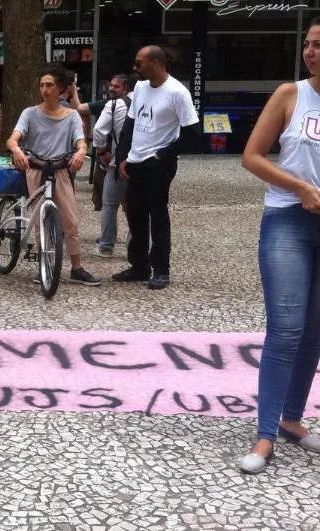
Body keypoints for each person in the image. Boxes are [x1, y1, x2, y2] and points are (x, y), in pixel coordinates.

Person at [237, 15, 320, 474]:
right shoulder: (291, 95)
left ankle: (292, 420)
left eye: (318, 45)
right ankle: (265, 434)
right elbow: (251, 156)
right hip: (288, 220)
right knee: (286, 329)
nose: (310, 52)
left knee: (314, 334)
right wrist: (301, 188)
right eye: (308, 44)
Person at [5, 64, 102, 287]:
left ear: (60, 89)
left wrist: (80, 152)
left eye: (49, 85)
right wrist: (17, 150)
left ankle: (76, 267)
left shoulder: (72, 116)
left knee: (70, 220)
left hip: (60, 170)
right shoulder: (29, 113)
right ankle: (43, 265)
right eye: (42, 85)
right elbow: (13, 138)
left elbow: (80, 141)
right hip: (35, 169)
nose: (45, 89)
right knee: (40, 221)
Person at [114, 45, 200, 290]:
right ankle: (139, 266)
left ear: (156, 62)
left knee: (158, 216)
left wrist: (163, 154)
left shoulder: (177, 92)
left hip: (159, 164)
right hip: (135, 161)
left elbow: (193, 133)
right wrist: (123, 156)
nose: (135, 67)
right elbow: (130, 124)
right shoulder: (140, 88)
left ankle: (161, 269)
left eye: (139, 63)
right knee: (135, 215)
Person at [90, 75, 132, 258]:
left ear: (126, 87)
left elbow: (99, 130)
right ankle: (135, 246)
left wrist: (101, 153)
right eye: (111, 85)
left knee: (109, 205)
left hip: (116, 164)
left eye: (116, 86)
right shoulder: (141, 103)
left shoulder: (114, 105)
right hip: (140, 163)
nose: (112, 89)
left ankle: (106, 246)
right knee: (137, 206)